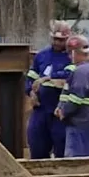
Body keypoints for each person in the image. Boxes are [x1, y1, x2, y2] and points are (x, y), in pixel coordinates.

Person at [25, 22, 73, 160]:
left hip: (60, 112)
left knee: (62, 150)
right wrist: (31, 93)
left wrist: (47, 78)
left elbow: (69, 75)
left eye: (61, 40)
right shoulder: (42, 56)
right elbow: (30, 78)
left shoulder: (71, 57)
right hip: (41, 109)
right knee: (36, 145)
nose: (57, 43)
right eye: (55, 39)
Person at [55, 35, 89, 158]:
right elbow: (68, 92)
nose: (69, 56)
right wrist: (60, 106)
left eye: (70, 53)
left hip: (80, 120)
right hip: (85, 119)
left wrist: (64, 111)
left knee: (75, 159)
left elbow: (76, 97)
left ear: (75, 52)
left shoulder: (82, 72)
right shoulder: (88, 68)